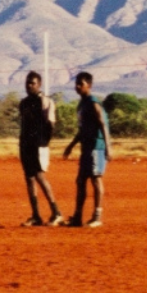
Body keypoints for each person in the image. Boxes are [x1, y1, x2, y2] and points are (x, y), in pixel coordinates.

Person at [62, 71, 112, 228]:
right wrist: (71, 146)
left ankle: (97, 217)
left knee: (96, 179)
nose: (77, 86)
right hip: (86, 147)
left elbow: (102, 124)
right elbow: (82, 129)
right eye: (76, 83)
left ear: (89, 85)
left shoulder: (93, 102)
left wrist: (108, 147)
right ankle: (77, 217)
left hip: (97, 147)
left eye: (80, 84)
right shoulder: (82, 104)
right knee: (80, 180)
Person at [18, 71, 63, 226]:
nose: (29, 85)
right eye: (27, 82)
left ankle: (56, 212)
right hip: (25, 145)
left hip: (39, 145)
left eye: (32, 82)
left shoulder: (45, 101)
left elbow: (50, 124)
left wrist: (43, 142)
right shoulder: (23, 103)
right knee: (29, 178)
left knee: (40, 176)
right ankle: (36, 215)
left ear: (39, 84)